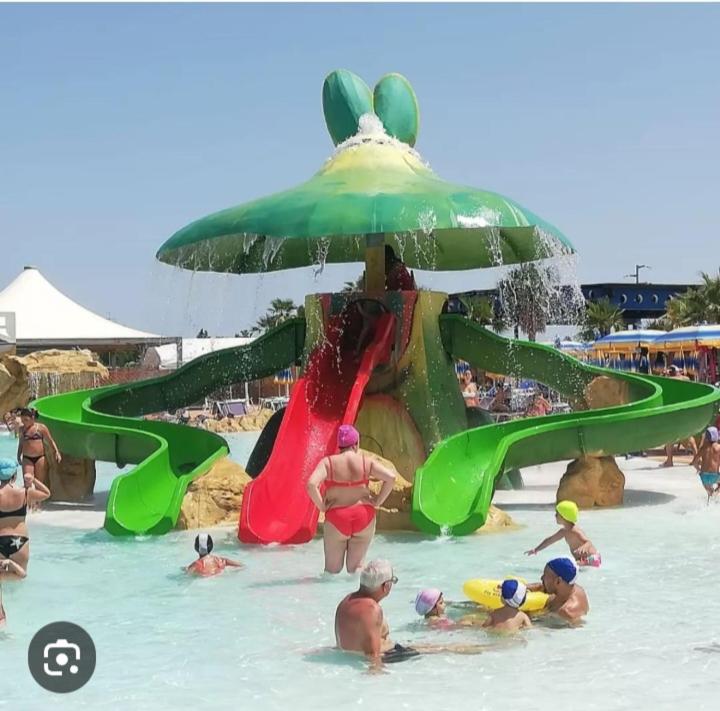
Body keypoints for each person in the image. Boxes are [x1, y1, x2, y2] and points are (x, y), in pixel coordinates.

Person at [335, 560, 499, 668]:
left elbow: (344, 641)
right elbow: (373, 655)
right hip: (386, 656)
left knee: (429, 646)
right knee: (446, 648)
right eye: (393, 581)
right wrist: (379, 679)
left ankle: (484, 648)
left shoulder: (346, 601)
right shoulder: (372, 609)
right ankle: (492, 649)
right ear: (385, 586)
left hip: (357, 655)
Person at [306, 425, 396, 574]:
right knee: (357, 570)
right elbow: (391, 478)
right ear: (356, 443)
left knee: (331, 571)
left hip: (337, 518)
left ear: (339, 444)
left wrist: (322, 506)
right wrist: (378, 501)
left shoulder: (328, 463)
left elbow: (311, 485)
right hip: (364, 517)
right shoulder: (366, 462)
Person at [0, 457, 50, 578]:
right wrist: (33, 480)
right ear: (14, 476)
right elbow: (46, 494)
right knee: (19, 579)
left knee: (2, 580)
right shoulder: (25, 492)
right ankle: (11, 564)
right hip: (19, 541)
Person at [525, 500, 601, 567]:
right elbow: (550, 540)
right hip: (583, 560)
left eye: (557, 514)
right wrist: (536, 549)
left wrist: (584, 547)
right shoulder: (563, 531)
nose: (555, 516)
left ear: (564, 516)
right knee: (570, 566)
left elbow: (588, 542)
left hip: (593, 559)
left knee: (570, 566)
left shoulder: (575, 531)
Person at [527, 558, 588, 624]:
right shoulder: (569, 585)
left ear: (558, 581)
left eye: (545, 575)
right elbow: (541, 586)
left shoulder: (566, 612)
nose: (541, 578)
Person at [16, 407, 61, 489]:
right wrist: (18, 455)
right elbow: (21, 443)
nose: (24, 422)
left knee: (39, 483)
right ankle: (28, 497)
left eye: (26, 420)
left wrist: (56, 452)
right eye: (22, 420)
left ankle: (38, 497)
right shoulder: (22, 429)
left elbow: (50, 441)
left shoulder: (41, 428)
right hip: (27, 458)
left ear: (32, 418)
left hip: (40, 458)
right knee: (27, 482)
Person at [691, 426, 720, 502]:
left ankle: (710, 501)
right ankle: (715, 494)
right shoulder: (719, 448)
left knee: (709, 492)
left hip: (704, 476)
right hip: (715, 476)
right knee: (717, 488)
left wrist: (698, 469)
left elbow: (694, 462)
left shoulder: (703, 448)